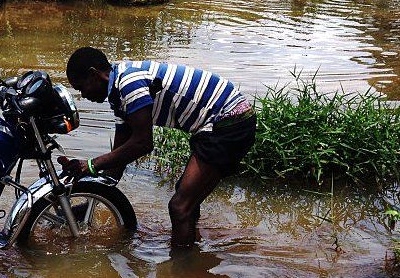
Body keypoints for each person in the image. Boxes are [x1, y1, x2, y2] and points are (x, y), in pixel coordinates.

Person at [61, 47, 256, 247]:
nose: (83, 95)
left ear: (94, 74)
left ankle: (179, 271)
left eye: (81, 87)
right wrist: (90, 202)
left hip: (229, 120)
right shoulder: (119, 94)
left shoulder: (129, 83)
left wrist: (90, 164)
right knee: (187, 197)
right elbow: (117, 162)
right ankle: (193, 251)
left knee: (180, 207)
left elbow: (143, 143)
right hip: (214, 124)